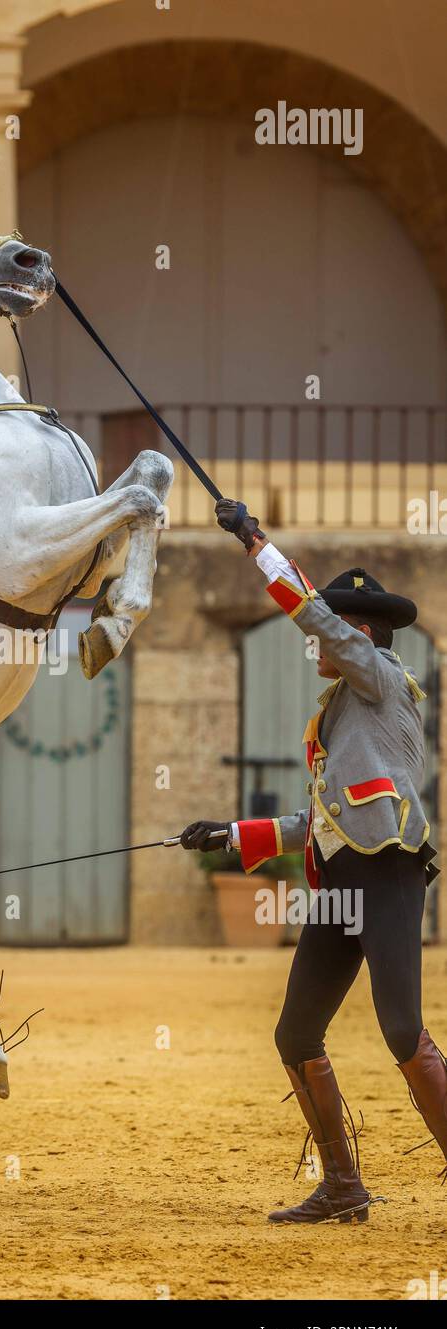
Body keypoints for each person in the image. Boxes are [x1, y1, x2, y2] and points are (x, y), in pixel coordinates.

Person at [179, 498, 445, 1225]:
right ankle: (342, 1187)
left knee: (400, 1031)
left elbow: (313, 617)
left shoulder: (380, 676)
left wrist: (256, 543)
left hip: (386, 874)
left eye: (329, 629)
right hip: (343, 884)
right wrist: (231, 835)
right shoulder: (339, 709)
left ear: (357, 634)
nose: (315, 642)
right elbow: (318, 824)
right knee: (296, 1035)